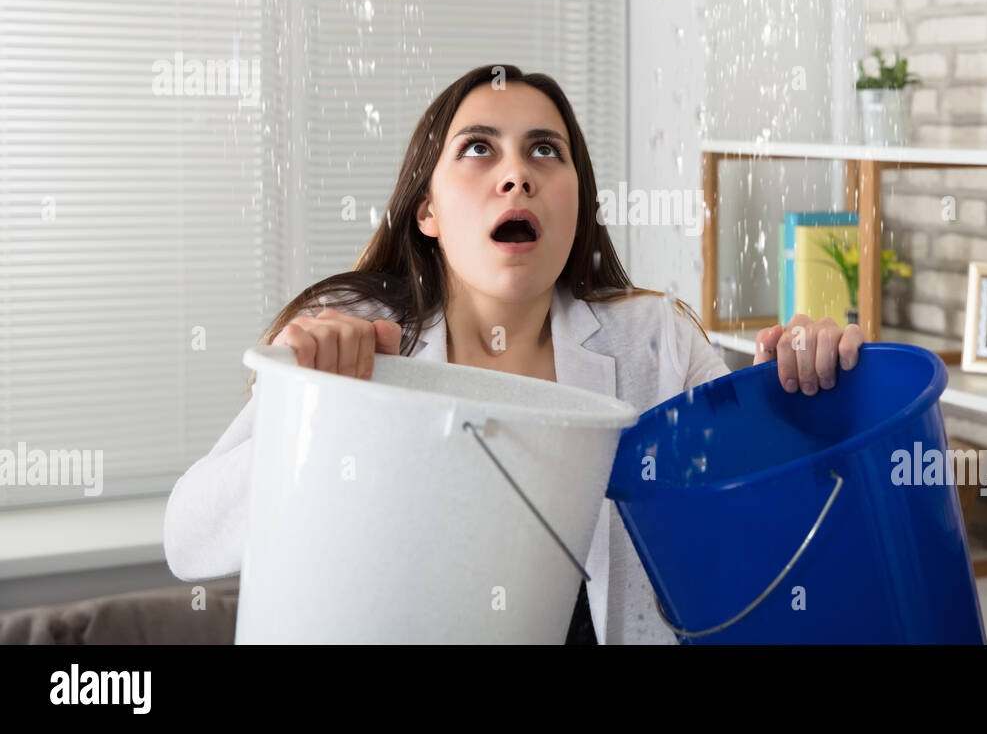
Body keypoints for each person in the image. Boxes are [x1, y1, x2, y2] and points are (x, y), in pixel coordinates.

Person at [162, 63, 864, 644]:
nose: (516, 175)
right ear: (426, 211)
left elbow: (764, 530)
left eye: (544, 151)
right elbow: (189, 542)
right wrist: (308, 406)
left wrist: (808, 395)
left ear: (579, 203)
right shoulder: (360, 342)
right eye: (477, 148)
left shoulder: (657, 341)